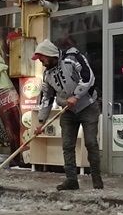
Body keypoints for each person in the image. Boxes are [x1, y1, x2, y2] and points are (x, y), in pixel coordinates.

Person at [33, 37, 102, 190]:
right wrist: (41, 122)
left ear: (49, 54)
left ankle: (96, 178)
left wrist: (76, 95)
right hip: (68, 111)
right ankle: (71, 180)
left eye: (42, 59)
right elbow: (47, 98)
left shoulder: (72, 58)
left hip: (88, 106)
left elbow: (88, 77)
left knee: (91, 142)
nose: (41, 62)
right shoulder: (47, 75)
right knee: (67, 145)